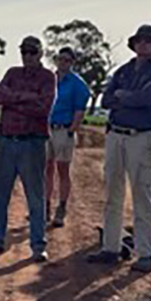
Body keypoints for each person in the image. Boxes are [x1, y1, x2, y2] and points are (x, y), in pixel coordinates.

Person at [88, 25, 151, 272]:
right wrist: (129, 97)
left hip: (141, 137)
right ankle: (110, 248)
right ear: (134, 44)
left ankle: (146, 254)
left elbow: (148, 99)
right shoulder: (123, 70)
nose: (144, 44)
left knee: (141, 194)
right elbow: (106, 99)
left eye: (149, 41)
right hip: (116, 134)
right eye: (140, 41)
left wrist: (123, 97)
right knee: (113, 193)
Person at [0, 36, 55, 262]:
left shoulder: (47, 77)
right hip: (7, 140)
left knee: (35, 197)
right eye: (24, 52)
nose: (27, 56)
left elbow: (43, 108)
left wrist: (13, 101)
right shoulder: (12, 73)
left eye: (32, 52)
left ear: (41, 53)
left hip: (32, 143)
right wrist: (26, 98)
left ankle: (37, 245)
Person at [45, 46, 91, 229]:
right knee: (46, 169)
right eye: (60, 59)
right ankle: (44, 207)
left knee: (62, 169)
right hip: (46, 128)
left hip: (64, 129)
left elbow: (79, 110)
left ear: (72, 63)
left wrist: (72, 129)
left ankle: (61, 207)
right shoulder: (49, 79)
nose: (62, 62)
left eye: (67, 60)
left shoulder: (78, 84)